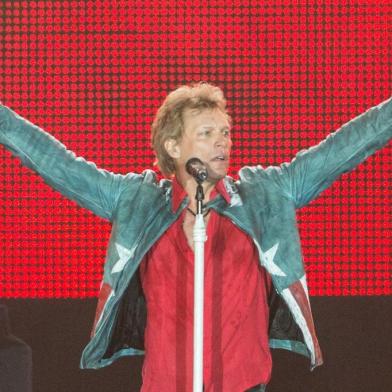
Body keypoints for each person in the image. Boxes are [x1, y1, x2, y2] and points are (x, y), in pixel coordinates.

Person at [0, 82, 391, 391]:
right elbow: (55, 162)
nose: (223, 141)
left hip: (244, 384)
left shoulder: (265, 195)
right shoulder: (138, 202)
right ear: (173, 146)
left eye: (225, 131)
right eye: (207, 132)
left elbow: (349, 145)